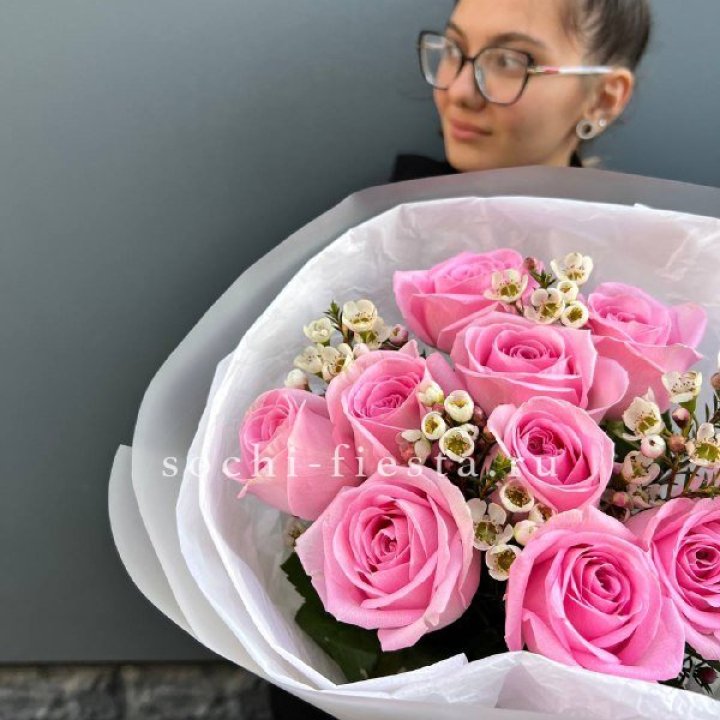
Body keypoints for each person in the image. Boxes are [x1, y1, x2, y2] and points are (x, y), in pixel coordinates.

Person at [391, 0, 651, 182]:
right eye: (452, 48)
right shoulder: (393, 222)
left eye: (508, 61)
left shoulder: (620, 240)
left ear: (602, 101)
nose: (459, 92)